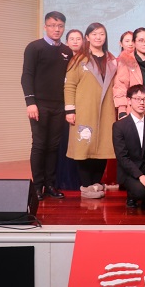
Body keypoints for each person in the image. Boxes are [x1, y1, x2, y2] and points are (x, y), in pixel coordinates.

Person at [21, 11, 72, 201]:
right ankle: (37, 187)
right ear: (45, 27)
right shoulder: (34, 47)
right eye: (52, 25)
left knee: (53, 146)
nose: (56, 29)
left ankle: (50, 185)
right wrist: (30, 103)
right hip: (39, 105)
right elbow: (26, 76)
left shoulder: (67, 51)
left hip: (59, 106)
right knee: (40, 144)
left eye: (60, 26)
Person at [64, 22, 118, 199]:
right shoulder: (79, 60)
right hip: (85, 109)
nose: (98, 37)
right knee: (84, 146)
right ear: (87, 37)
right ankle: (86, 185)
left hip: (107, 110)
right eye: (94, 34)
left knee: (103, 146)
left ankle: (96, 183)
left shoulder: (112, 60)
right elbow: (69, 86)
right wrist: (70, 110)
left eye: (101, 34)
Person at [112, 84, 145, 211]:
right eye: (137, 99)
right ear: (129, 101)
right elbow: (122, 157)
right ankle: (132, 197)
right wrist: (141, 176)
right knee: (140, 192)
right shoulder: (119, 126)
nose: (142, 103)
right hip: (129, 171)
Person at [56, 28, 83, 191]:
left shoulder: (86, 60)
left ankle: (79, 180)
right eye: (72, 38)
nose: (75, 41)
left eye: (78, 38)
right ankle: (63, 180)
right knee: (63, 143)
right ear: (66, 42)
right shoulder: (61, 59)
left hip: (81, 107)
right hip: (63, 106)